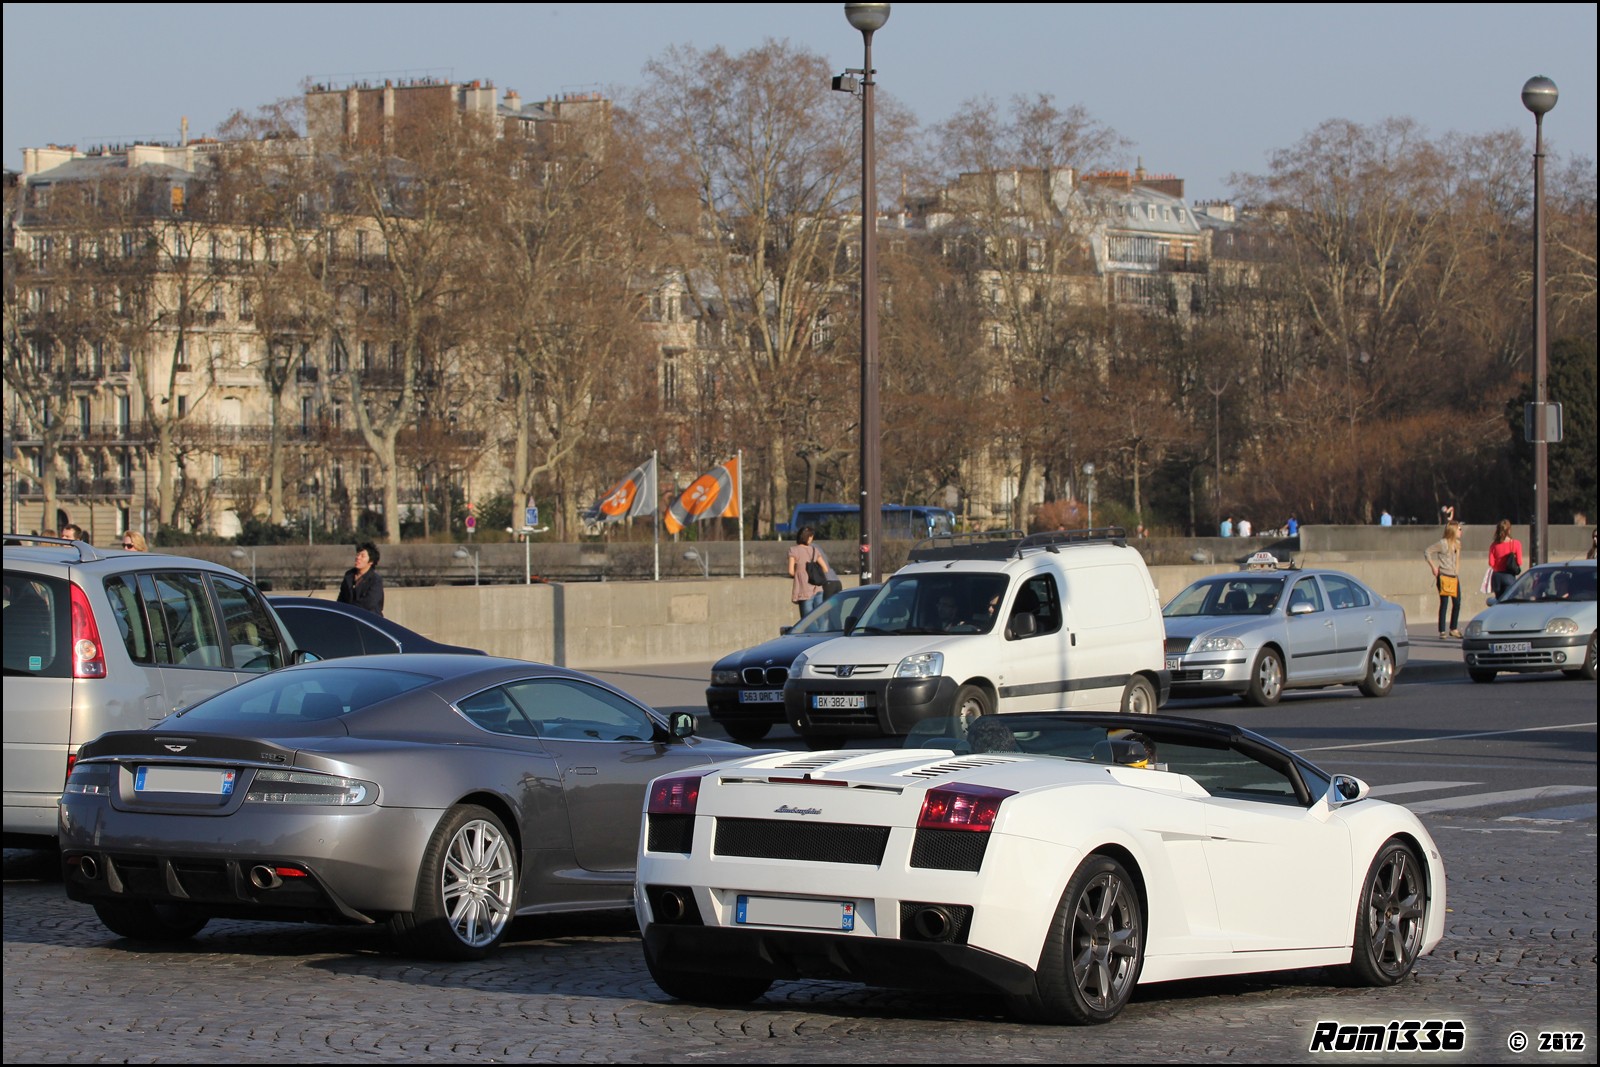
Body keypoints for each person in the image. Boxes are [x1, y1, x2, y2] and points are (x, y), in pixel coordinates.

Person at [1425, 522, 1464, 639]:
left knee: (1457, 602)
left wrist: (1457, 572)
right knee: (1444, 603)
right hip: (1443, 575)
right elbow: (1427, 552)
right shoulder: (1442, 543)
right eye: (1459, 529)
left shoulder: (1457, 544)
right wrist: (1433, 567)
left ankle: (1453, 628)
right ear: (1453, 530)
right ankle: (1442, 630)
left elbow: (1457, 560)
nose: (1461, 531)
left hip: (1454, 576)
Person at [786, 526, 828, 620]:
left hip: (804, 590)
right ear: (808, 537)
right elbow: (825, 569)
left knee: (807, 621)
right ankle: (821, 634)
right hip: (817, 588)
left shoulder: (793, 550)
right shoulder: (814, 550)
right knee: (820, 619)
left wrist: (800, 573)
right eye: (811, 537)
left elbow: (791, 571)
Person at [337, 541, 385, 617]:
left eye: (362, 556)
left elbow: (369, 603)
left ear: (371, 561)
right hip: (350, 619)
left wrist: (349, 609)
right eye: (358, 554)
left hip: (369, 621)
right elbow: (341, 599)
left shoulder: (375, 580)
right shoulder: (349, 576)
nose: (358, 558)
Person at [1487, 519, 1523, 600]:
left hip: (1496, 577)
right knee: (1508, 601)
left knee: (1499, 602)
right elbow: (1519, 562)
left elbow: (1491, 563)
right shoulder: (1516, 544)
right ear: (1509, 530)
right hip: (1509, 576)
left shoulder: (1494, 545)